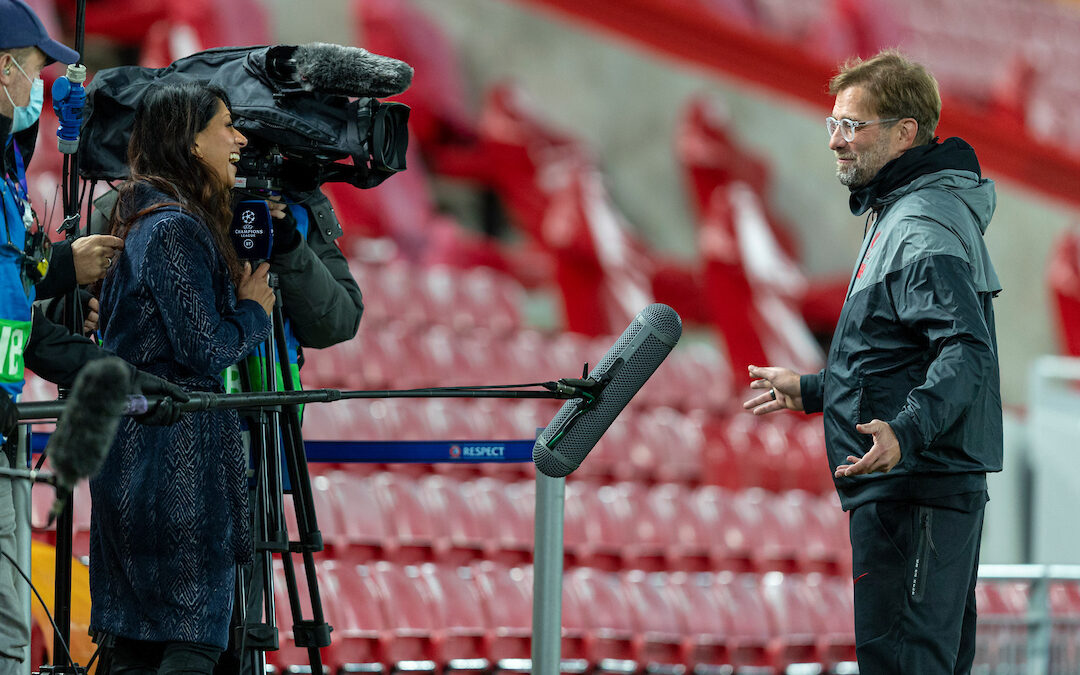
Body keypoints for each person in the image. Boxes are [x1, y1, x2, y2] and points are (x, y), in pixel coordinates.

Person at [742, 50, 1002, 674]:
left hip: (914, 489)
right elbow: (899, 359)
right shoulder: (909, 213)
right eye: (832, 124)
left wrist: (907, 428)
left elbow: (965, 351)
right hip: (921, 486)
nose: (836, 142)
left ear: (905, 132)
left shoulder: (918, 223)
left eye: (851, 126)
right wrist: (811, 390)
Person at [2, 2, 188, 673]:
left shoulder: (8, 178)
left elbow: (29, 324)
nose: (39, 91)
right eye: (31, 70)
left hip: (6, 427)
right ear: (1, 68)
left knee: (8, 630)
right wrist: (60, 266)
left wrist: (120, 376)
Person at [89, 81, 274, 674]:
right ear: (191, 142)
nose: (240, 138)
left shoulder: (138, 215)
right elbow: (206, 347)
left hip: (128, 460)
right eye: (227, 125)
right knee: (191, 638)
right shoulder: (174, 228)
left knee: (135, 641)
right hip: (177, 464)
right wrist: (252, 310)